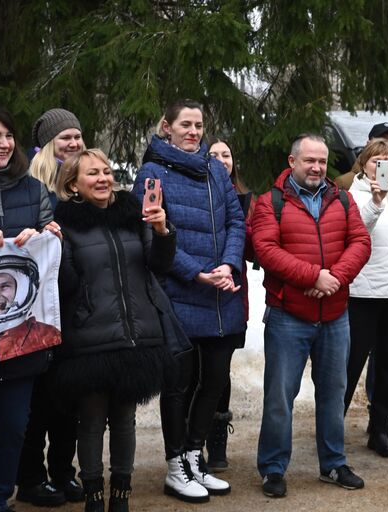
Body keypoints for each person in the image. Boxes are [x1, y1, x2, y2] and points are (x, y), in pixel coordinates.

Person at [53, 148, 175, 512]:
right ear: (73, 184)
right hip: (90, 337)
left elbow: (159, 265)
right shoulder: (66, 224)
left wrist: (162, 230)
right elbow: (67, 285)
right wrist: (55, 250)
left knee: (124, 420)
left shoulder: (134, 214)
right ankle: (93, 494)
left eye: (106, 171)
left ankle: (121, 494)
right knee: (90, 421)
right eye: (93, 174)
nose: (104, 179)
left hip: (136, 334)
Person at [134, 100, 244, 503]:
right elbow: (150, 234)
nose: (194, 132)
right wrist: (196, 272)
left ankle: (195, 456)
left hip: (222, 294)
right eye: (185, 124)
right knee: (179, 385)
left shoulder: (217, 170)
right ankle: (176, 464)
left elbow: (235, 221)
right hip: (179, 293)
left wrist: (230, 264)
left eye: (199, 125)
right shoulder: (152, 172)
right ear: (167, 127)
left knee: (214, 381)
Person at [252, 134, 371, 498]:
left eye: (321, 161)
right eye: (309, 161)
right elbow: (265, 249)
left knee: (334, 394)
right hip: (289, 315)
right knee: (279, 397)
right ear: (292, 162)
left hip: (335, 315)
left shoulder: (343, 199)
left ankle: (333, 463)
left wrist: (334, 278)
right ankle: (273, 468)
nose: (317, 167)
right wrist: (311, 276)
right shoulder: (269, 202)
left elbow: (360, 242)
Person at [0, 106, 61, 512]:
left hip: (23, 334)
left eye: (8, 135)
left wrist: (50, 235)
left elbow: (54, 255)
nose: (4, 144)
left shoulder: (33, 190)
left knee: (13, 428)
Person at [17, 107, 85, 508]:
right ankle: (30, 477)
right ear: (47, 145)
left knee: (68, 402)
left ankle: (64, 471)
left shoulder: (85, 184)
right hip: (38, 311)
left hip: (75, 308)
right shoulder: (29, 187)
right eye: (65, 138)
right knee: (37, 402)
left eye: (78, 136)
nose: (74, 143)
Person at [342, 138, 388, 458]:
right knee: (350, 364)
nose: (383, 166)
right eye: (376, 160)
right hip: (362, 291)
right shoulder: (350, 196)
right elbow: (354, 233)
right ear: (363, 164)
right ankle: (332, 426)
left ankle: (379, 428)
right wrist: (375, 200)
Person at [203, 137, 253, 473]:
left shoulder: (246, 201)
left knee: (221, 373)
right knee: (194, 375)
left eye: (227, 153)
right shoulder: (194, 193)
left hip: (231, 295)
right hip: (194, 293)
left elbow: (252, 249)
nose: (222, 159)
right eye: (214, 154)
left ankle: (216, 443)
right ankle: (188, 445)